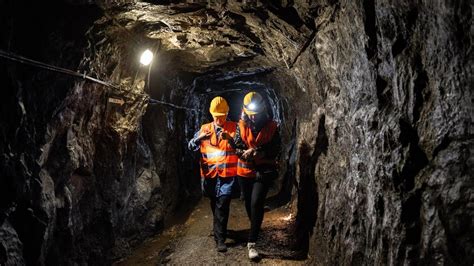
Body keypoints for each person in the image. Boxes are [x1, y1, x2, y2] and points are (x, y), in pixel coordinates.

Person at [232, 91, 281, 260]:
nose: (253, 118)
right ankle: (256, 226)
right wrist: (243, 153)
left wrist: (260, 152)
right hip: (245, 171)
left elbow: (276, 148)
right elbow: (236, 145)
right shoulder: (241, 125)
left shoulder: (271, 126)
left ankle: (252, 243)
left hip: (263, 171)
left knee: (256, 202)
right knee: (248, 203)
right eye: (249, 115)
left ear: (263, 110)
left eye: (256, 114)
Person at [188, 96, 238, 252]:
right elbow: (190, 146)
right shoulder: (204, 129)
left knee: (223, 204)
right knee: (214, 203)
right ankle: (219, 228)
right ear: (211, 114)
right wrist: (199, 139)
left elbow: (241, 146)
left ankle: (220, 239)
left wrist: (230, 139)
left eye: (222, 116)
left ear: (227, 113)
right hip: (210, 175)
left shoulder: (234, 127)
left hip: (227, 175)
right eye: (216, 116)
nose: (219, 119)